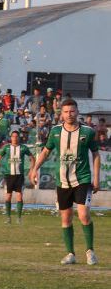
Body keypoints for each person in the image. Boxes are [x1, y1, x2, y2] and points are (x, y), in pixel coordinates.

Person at [29, 99, 100, 266]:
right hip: (62, 182)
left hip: (82, 179)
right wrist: (34, 169)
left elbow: (96, 154)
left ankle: (90, 251)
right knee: (66, 218)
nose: (69, 114)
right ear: (61, 114)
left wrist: (97, 178)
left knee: (83, 215)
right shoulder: (55, 132)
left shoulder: (87, 132)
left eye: (72, 111)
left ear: (77, 112)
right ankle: (70, 254)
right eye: (66, 112)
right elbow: (45, 152)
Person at [0, 130, 35, 224]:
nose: (15, 138)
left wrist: (32, 171)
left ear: (18, 137)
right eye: (13, 136)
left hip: (19, 175)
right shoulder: (6, 148)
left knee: (19, 196)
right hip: (9, 175)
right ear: (10, 138)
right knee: (8, 196)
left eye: (16, 136)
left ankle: (19, 218)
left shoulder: (23, 148)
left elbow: (32, 158)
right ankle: (8, 218)